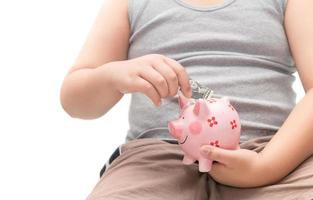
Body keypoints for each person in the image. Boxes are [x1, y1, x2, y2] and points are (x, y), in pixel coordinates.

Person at [60, 0, 313, 199]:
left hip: (275, 152)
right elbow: (74, 101)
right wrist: (112, 76)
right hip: (155, 158)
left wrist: (266, 166)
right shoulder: (130, 3)